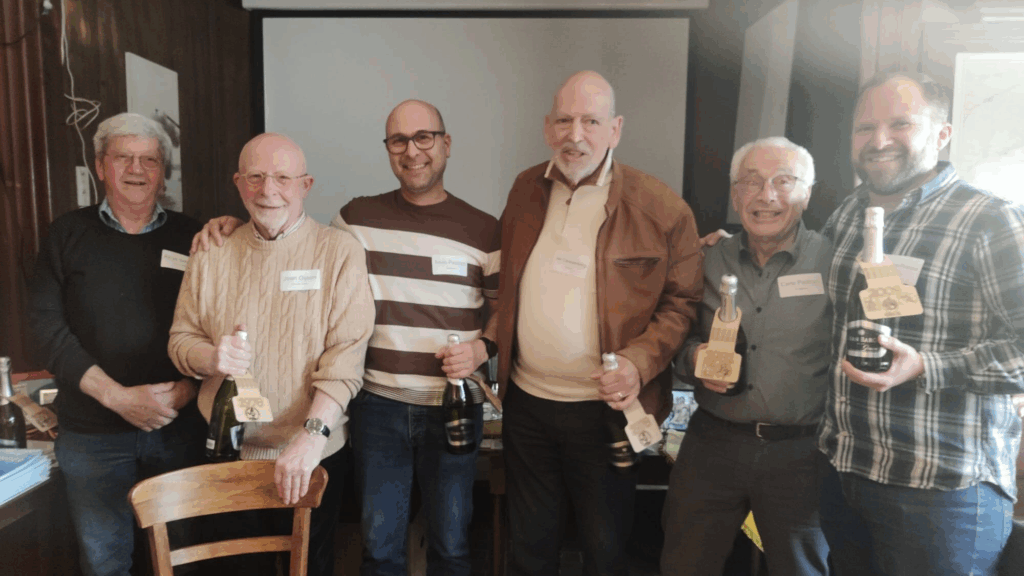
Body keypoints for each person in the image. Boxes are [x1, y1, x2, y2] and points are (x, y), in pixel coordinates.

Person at [190, 101, 499, 576]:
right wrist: (232, 225)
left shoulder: (484, 228)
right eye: (398, 140)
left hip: (451, 404)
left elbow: (503, 309)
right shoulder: (355, 220)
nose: (412, 151)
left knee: (453, 546)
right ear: (387, 149)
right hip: (378, 407)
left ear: (446, 144)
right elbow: (286, 232)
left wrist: (482, 348)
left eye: (424, 137)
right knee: (379, 548)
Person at [464, 70, 704, 576]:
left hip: (607, 413)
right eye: (564, 121)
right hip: (527, 405)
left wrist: (638, 363)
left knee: (604, 551)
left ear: (615, 129)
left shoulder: (661, 207)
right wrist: (488, 343)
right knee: (530, 550)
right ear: (547, 127)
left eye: (591, 121)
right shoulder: (525, 189)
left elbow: (682, 303)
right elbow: (509, 286)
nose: (575, 135)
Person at [818, 71, 1024, 575]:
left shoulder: (991, 219)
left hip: (942, 492)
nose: (879, 140)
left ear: (942, 134)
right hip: (845, 472)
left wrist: (928, 367)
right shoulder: (847, 215)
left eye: (900, 124)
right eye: (865, 128)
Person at [168, 133, 375, 576]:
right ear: (238, 183)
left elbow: (345, 360)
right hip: (228, 454)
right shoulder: (211, 249)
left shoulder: (339, 252)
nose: (268, 190)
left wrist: (311, 438)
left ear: (306, 185)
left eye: (282, 178)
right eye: (256, 177)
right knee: (238, 570)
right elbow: (181, 338)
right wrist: (210, 358)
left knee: (308, 567)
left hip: (312, 452)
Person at [28, 112, 206, 576]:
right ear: (100, 166)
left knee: (181, 561)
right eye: (124, 157)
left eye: (150, 160)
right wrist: (117, 397)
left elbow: (218, 324)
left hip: (177, 427)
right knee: (104, 564)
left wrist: (187, 390)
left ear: (163, 172)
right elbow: (47, 329)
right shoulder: (66, 234)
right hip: (93, 436)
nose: (136, 169)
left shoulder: (195, 237)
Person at [660, 137, 830, 575]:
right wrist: (694, 360)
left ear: (807, 193)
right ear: (735, 195)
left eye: (783, 181)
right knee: (683, 567)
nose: (766, 196)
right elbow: (674, 335)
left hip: (801, 454)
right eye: (751, 182)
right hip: (711, 445)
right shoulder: (705, 259)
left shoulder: (833, 261)